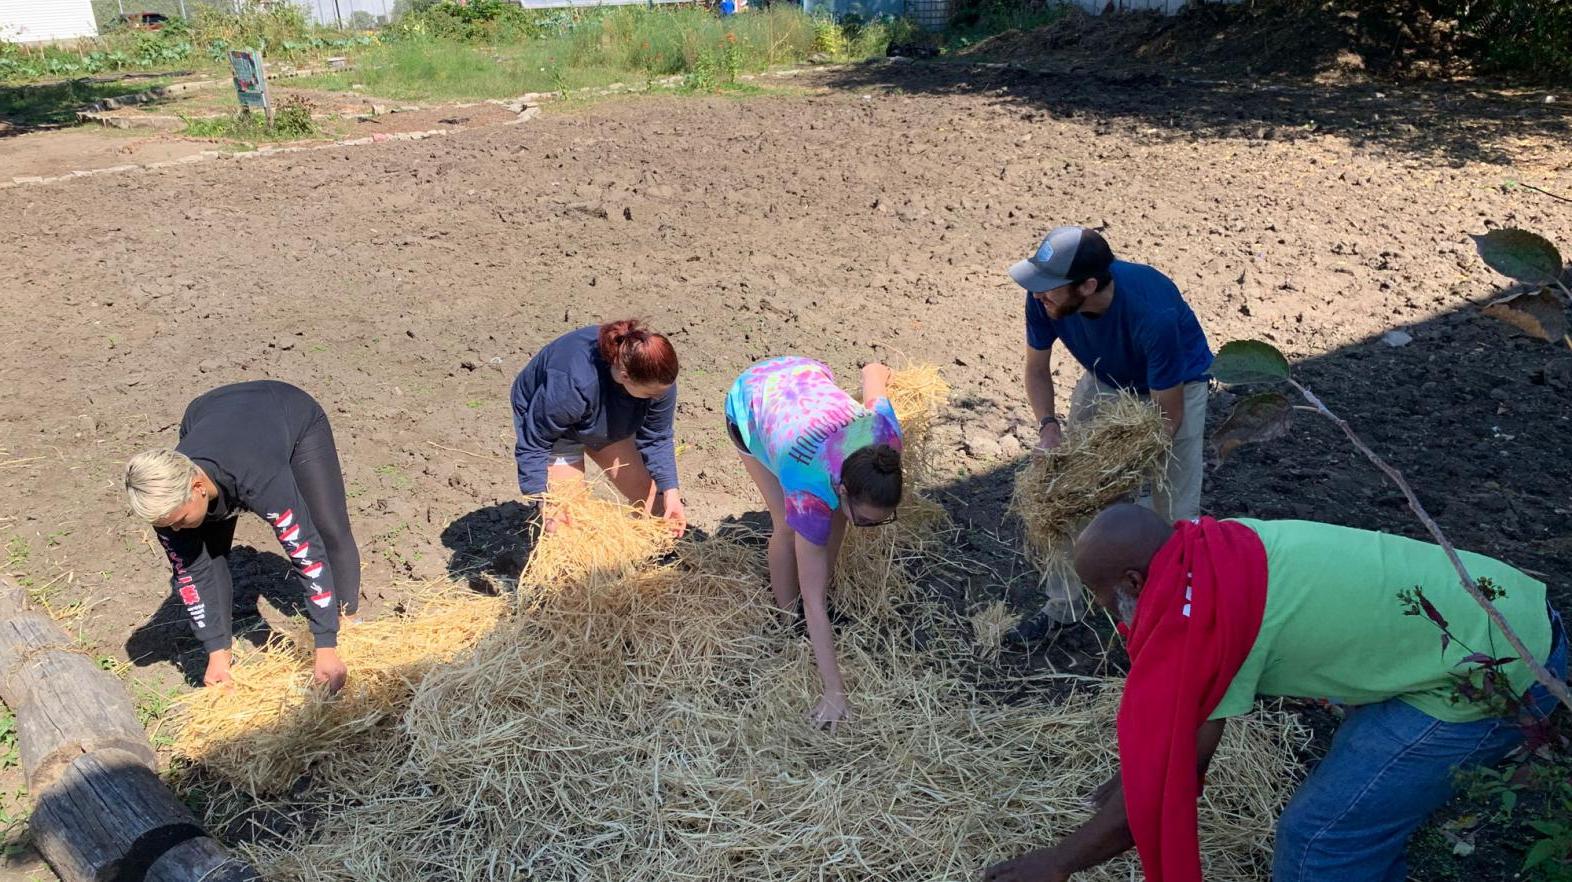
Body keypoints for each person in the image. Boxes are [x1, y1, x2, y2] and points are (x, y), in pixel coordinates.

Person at [985, 503, 1566, 882]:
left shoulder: (1212, 624)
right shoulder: (1217, 554)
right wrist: (1137, 774)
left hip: (1497, 665)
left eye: (1104, 596)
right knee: (1356, 819)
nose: (1108, 611)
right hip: (1488, 612)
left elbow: (1175, 781)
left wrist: (1057, 864)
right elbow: (1170, 758)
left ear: (1135, 581)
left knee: (1321, 841)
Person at [1008, 226, 1214, 637]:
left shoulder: (1152, 314)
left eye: (1049, 288)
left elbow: (1166, 418)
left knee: (1172, 512)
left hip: (1176, 389)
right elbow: (1036, 368)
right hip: (1105, 379)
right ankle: (1063, 607)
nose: (1037, 295)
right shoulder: (1046, 300)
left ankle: (1173, 622)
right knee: (1063, 494)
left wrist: (1118, 472)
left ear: (1087, 285)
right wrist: (1049, 428)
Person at [125, 381, 362, 693]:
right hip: (206, 411)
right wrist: (217, 655)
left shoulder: (257, 477)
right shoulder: (166, 505)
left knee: (327, 528)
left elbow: (305, 550)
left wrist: (326, 647)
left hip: (286, 411)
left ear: (197, 486)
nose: (175, 530)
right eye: (167, 524)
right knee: (206, 555)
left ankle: (348, 621)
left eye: (180, 520)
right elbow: (192, 574)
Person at [725, 356, 904, 729]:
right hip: (752, 401)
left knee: (829, 526)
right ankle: (786, 620)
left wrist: (879, 366)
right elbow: (815, 600)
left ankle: (805, 602)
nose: (871, 526)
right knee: (786, 526)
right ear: (840, 489)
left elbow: (873, 373)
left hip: (805, 374)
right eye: (868, 521)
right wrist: (834, 691)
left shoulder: (886, 436)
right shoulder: (806, 484)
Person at [511, 320, 686, 537]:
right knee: (567, 523)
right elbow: (535, 442)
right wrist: (543, 499)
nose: (658, 399)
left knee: (654, 503)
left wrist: (671, 491)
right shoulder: (572, 384)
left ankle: (658, 553)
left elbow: (657, 437)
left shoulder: (658, 378)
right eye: (651, 395)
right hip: (558, 428)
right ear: (625, 377)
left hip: (609, 415)